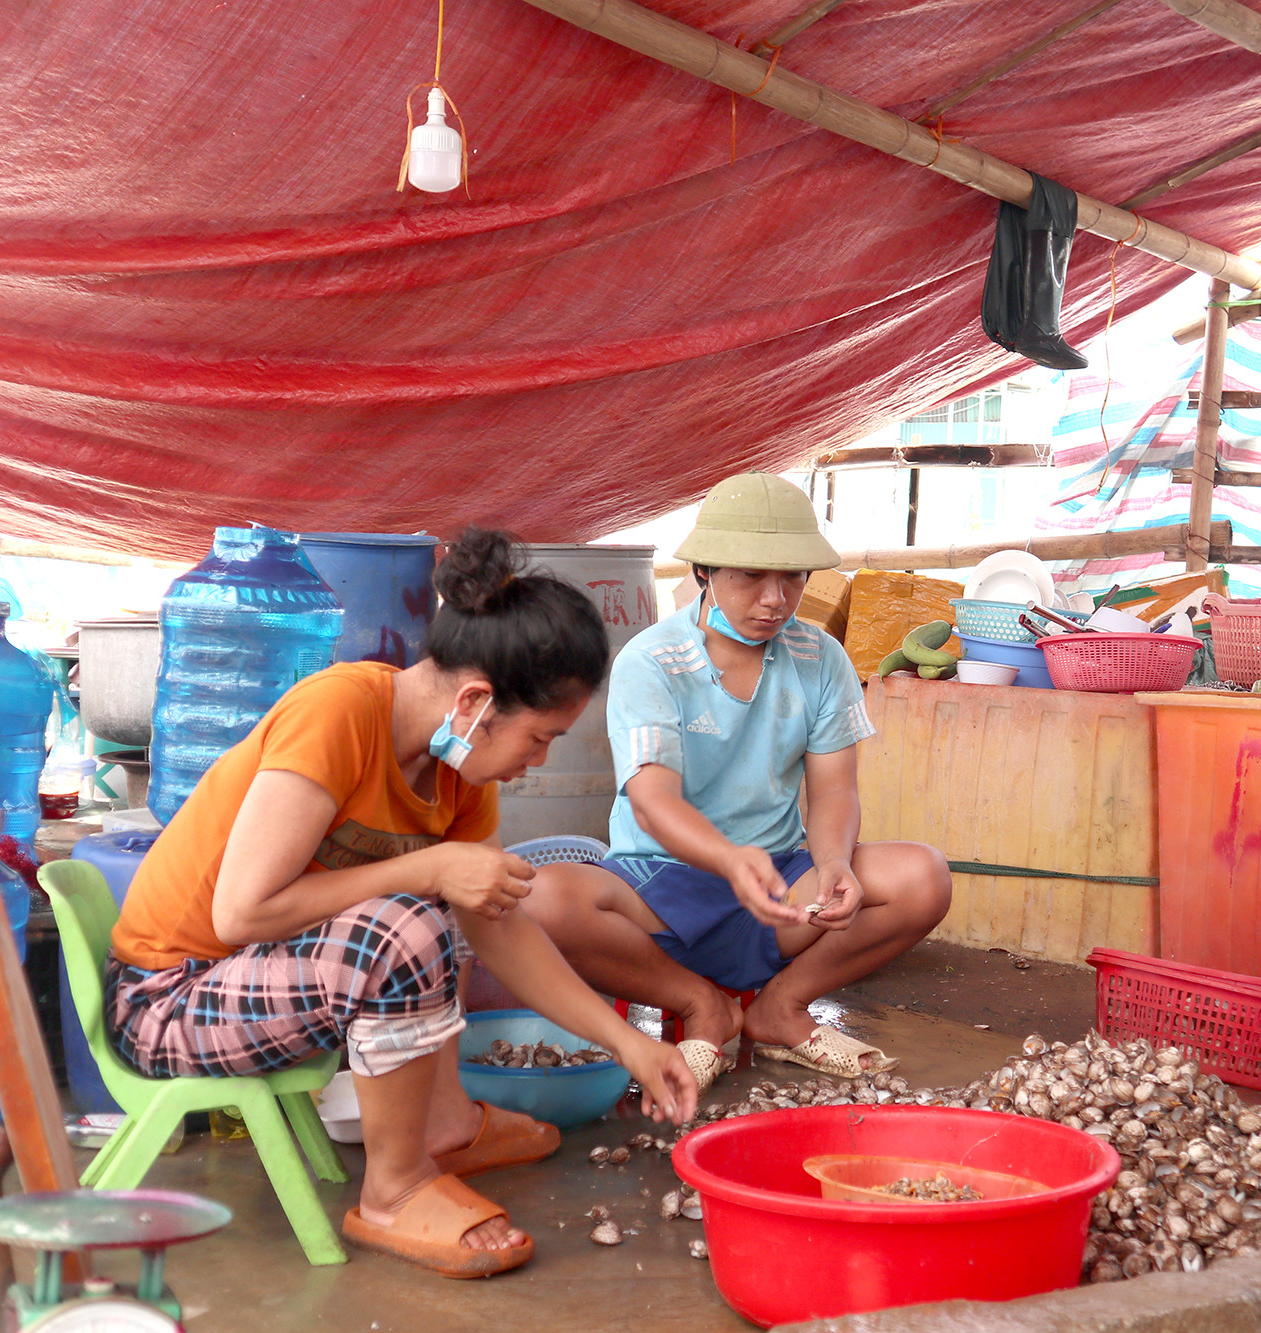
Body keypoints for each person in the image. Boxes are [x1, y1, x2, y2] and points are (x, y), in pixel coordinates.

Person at [106, 529, 697, 1279]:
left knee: (437, 904)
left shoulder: (457, 775)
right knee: (408, 922)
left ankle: (445, 1127)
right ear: (476, 702)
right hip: (168, 997)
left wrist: (629, 1045)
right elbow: (240, 914)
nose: (536, 762)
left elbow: (502, 930)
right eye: (540, 738)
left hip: (255, 984)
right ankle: (393, 1188)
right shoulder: (340, 711)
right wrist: (431, 867)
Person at [527, 473, 952, 1088]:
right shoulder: (650, 661)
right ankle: (704, 1004)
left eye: (792, 578)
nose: (774, 599)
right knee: (539, 900)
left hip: (780, 882)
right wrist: (730, 861)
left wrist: (833, 863)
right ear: (703, 572)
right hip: (658, 885)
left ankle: (781, 1007)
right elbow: (651, 801)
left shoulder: (819, 657)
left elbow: (834, 789)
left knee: (923, 877)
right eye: (749, 577)